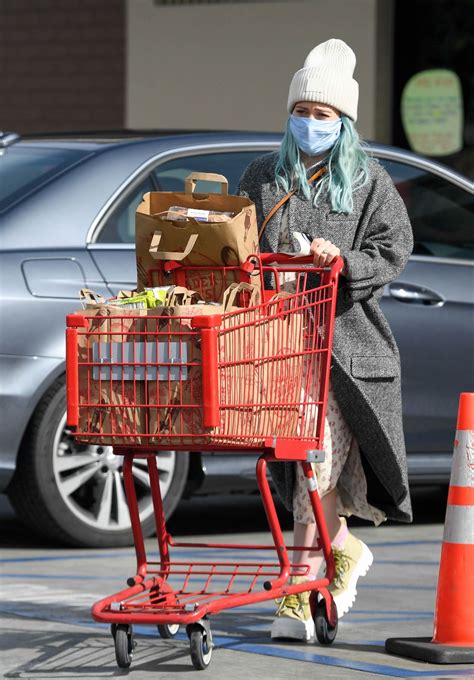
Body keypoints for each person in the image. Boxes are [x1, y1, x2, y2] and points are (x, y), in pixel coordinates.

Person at [237, 38, 413, 642]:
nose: (310, 122)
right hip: (277, 346)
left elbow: (395, 249)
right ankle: (343, 550)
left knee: (313, 463)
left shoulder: (370, 182)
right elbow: (239, 244)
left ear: (344, 122)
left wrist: (344, 261)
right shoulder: (264, 175)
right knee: (300, 467)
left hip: (342, 348)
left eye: (324, 114)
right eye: (302, 111)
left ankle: (300, 589)